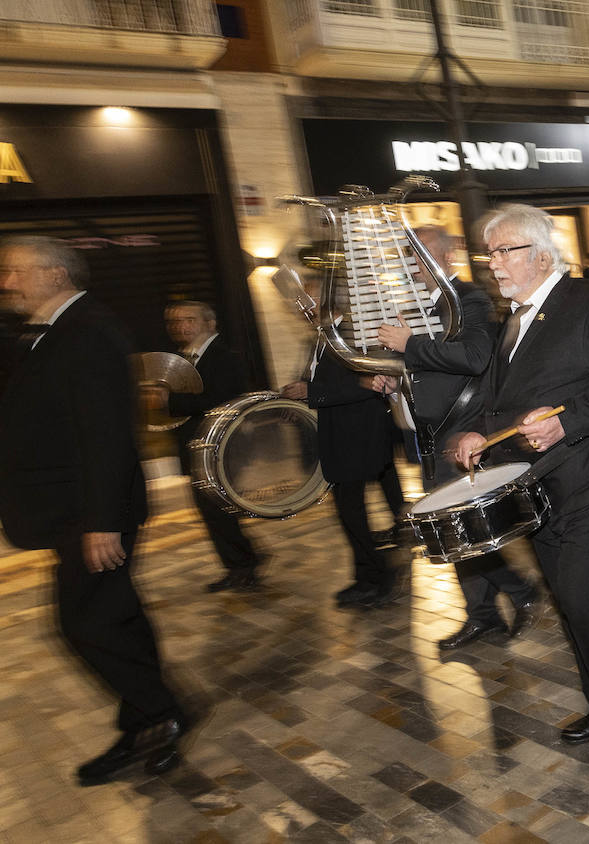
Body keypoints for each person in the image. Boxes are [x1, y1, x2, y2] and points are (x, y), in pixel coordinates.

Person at [449, 204, 589, 768]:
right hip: (538, 488)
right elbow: (502, 399)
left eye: (502, 251)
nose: (492, 264)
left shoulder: (588, 302)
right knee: (568, 603)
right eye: (489, 252)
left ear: (540, 255)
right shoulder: (512, 316)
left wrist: (570, 419)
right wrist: (477, 432)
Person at [0, 236, 189, 785]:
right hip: (75, 510)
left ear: (56, 275)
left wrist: (101, 521)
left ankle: (163, 712)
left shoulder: (90, 331)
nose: (7, 282)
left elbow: (106, 435)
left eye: (17, 272)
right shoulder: (51, 333)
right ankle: (145, 723)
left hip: (92, 513)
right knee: (115, 616)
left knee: (84, 624)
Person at [371, 225, 536, 648]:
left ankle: (520, 593)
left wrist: (410, 344)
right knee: (447, 532)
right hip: (427, 434)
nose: (413, 262)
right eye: (409, 254)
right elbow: (421, 368)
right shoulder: (410, 303)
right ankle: (482, 615)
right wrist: (394, 380)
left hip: (462, 430)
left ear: (447, 257)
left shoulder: (470, 299)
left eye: (422, 252)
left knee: (466, 527)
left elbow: (476, 357)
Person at [281, 279, 406, 608]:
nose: (301, 305)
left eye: (308, 298)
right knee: (350, 512)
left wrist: (313, 393)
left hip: (358, 434)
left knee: (351, 511)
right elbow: (323, 379)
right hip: (339, 433)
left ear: (328, 301)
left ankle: (376, 577)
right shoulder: (323, 335)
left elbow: (370, 384)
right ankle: (369, 574)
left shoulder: (352, 332)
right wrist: (300, 394)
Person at [164, 300, 263, 591]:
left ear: (210, 323)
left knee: (217, 509)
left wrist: (168, 401)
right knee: (213, 510)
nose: (181, 326)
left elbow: (221, 401)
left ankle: (243, 564)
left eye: (189, 320)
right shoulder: (183, 357)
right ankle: (241, 561)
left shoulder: (223, 356)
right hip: (196, 446)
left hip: (219, 447)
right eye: (175, 321)